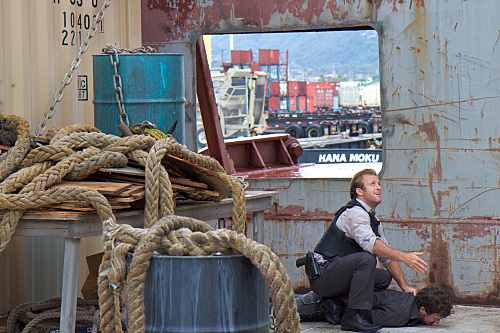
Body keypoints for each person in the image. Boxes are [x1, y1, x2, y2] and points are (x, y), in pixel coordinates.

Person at [308, 168, 428, 332]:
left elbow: (386, 256)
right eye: (372, 184)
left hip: (338, 275)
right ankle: (352, 316)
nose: (378, 187)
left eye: (379, 183)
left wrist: (405, 287)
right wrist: (405, 257)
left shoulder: (372, 219)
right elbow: (372, 245)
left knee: (383, 278)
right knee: (367, 259)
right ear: (359, 191)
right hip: (323, 276)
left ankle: (337, 302)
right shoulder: (355, 213)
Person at [297, 286, 453, 328]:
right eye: (436, 318)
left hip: (327, 295)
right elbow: (361, 317)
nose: (437, 322)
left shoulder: (407, 300)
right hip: (320, 306)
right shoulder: (400, 315)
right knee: (275, 309)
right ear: (423, 310)